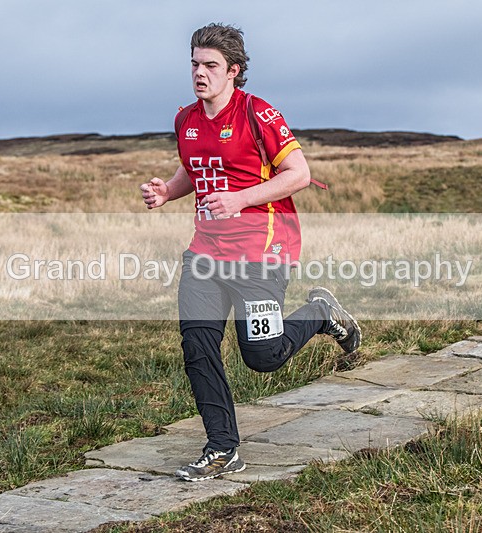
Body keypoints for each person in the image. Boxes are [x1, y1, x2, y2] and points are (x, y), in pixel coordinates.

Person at [139, 23, 361, 482]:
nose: (199, 73)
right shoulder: (186, 119)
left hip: (261, 251)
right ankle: (222, 448)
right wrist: (168, 192)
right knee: (198, 346)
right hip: (205, 252)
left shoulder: (258, 114)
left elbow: (298, 173)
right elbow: (196, 170)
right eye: (195, 64)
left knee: (262, 355)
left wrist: (241, 199)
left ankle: (320, 312)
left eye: (210, 66)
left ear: (233, 71)